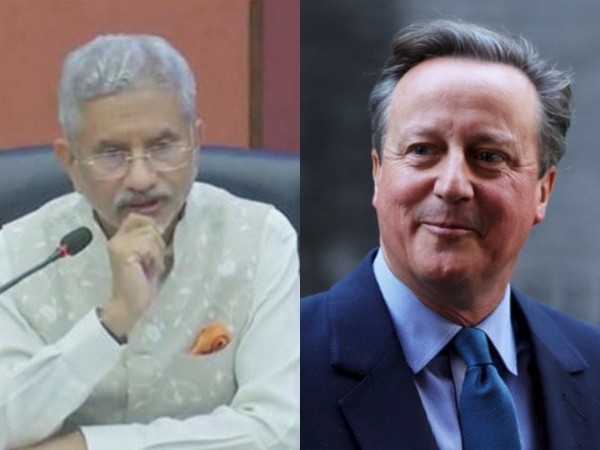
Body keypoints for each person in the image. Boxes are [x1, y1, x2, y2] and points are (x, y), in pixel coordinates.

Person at [301, 19, 600, 450]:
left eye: (488, 156)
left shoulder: (591, 367)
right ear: (377, 174)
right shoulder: (283, 363)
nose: (452, 185)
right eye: (422, 150)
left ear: (542, 191)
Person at [0, 34, 299, 450]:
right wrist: (114, 320)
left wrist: (89, 447)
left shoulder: (262, 238)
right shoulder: (17, 253)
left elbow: (280, 429)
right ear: (69, 162)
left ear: (195, 142)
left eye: (162, 146)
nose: (141, 178)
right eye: (111, 154)